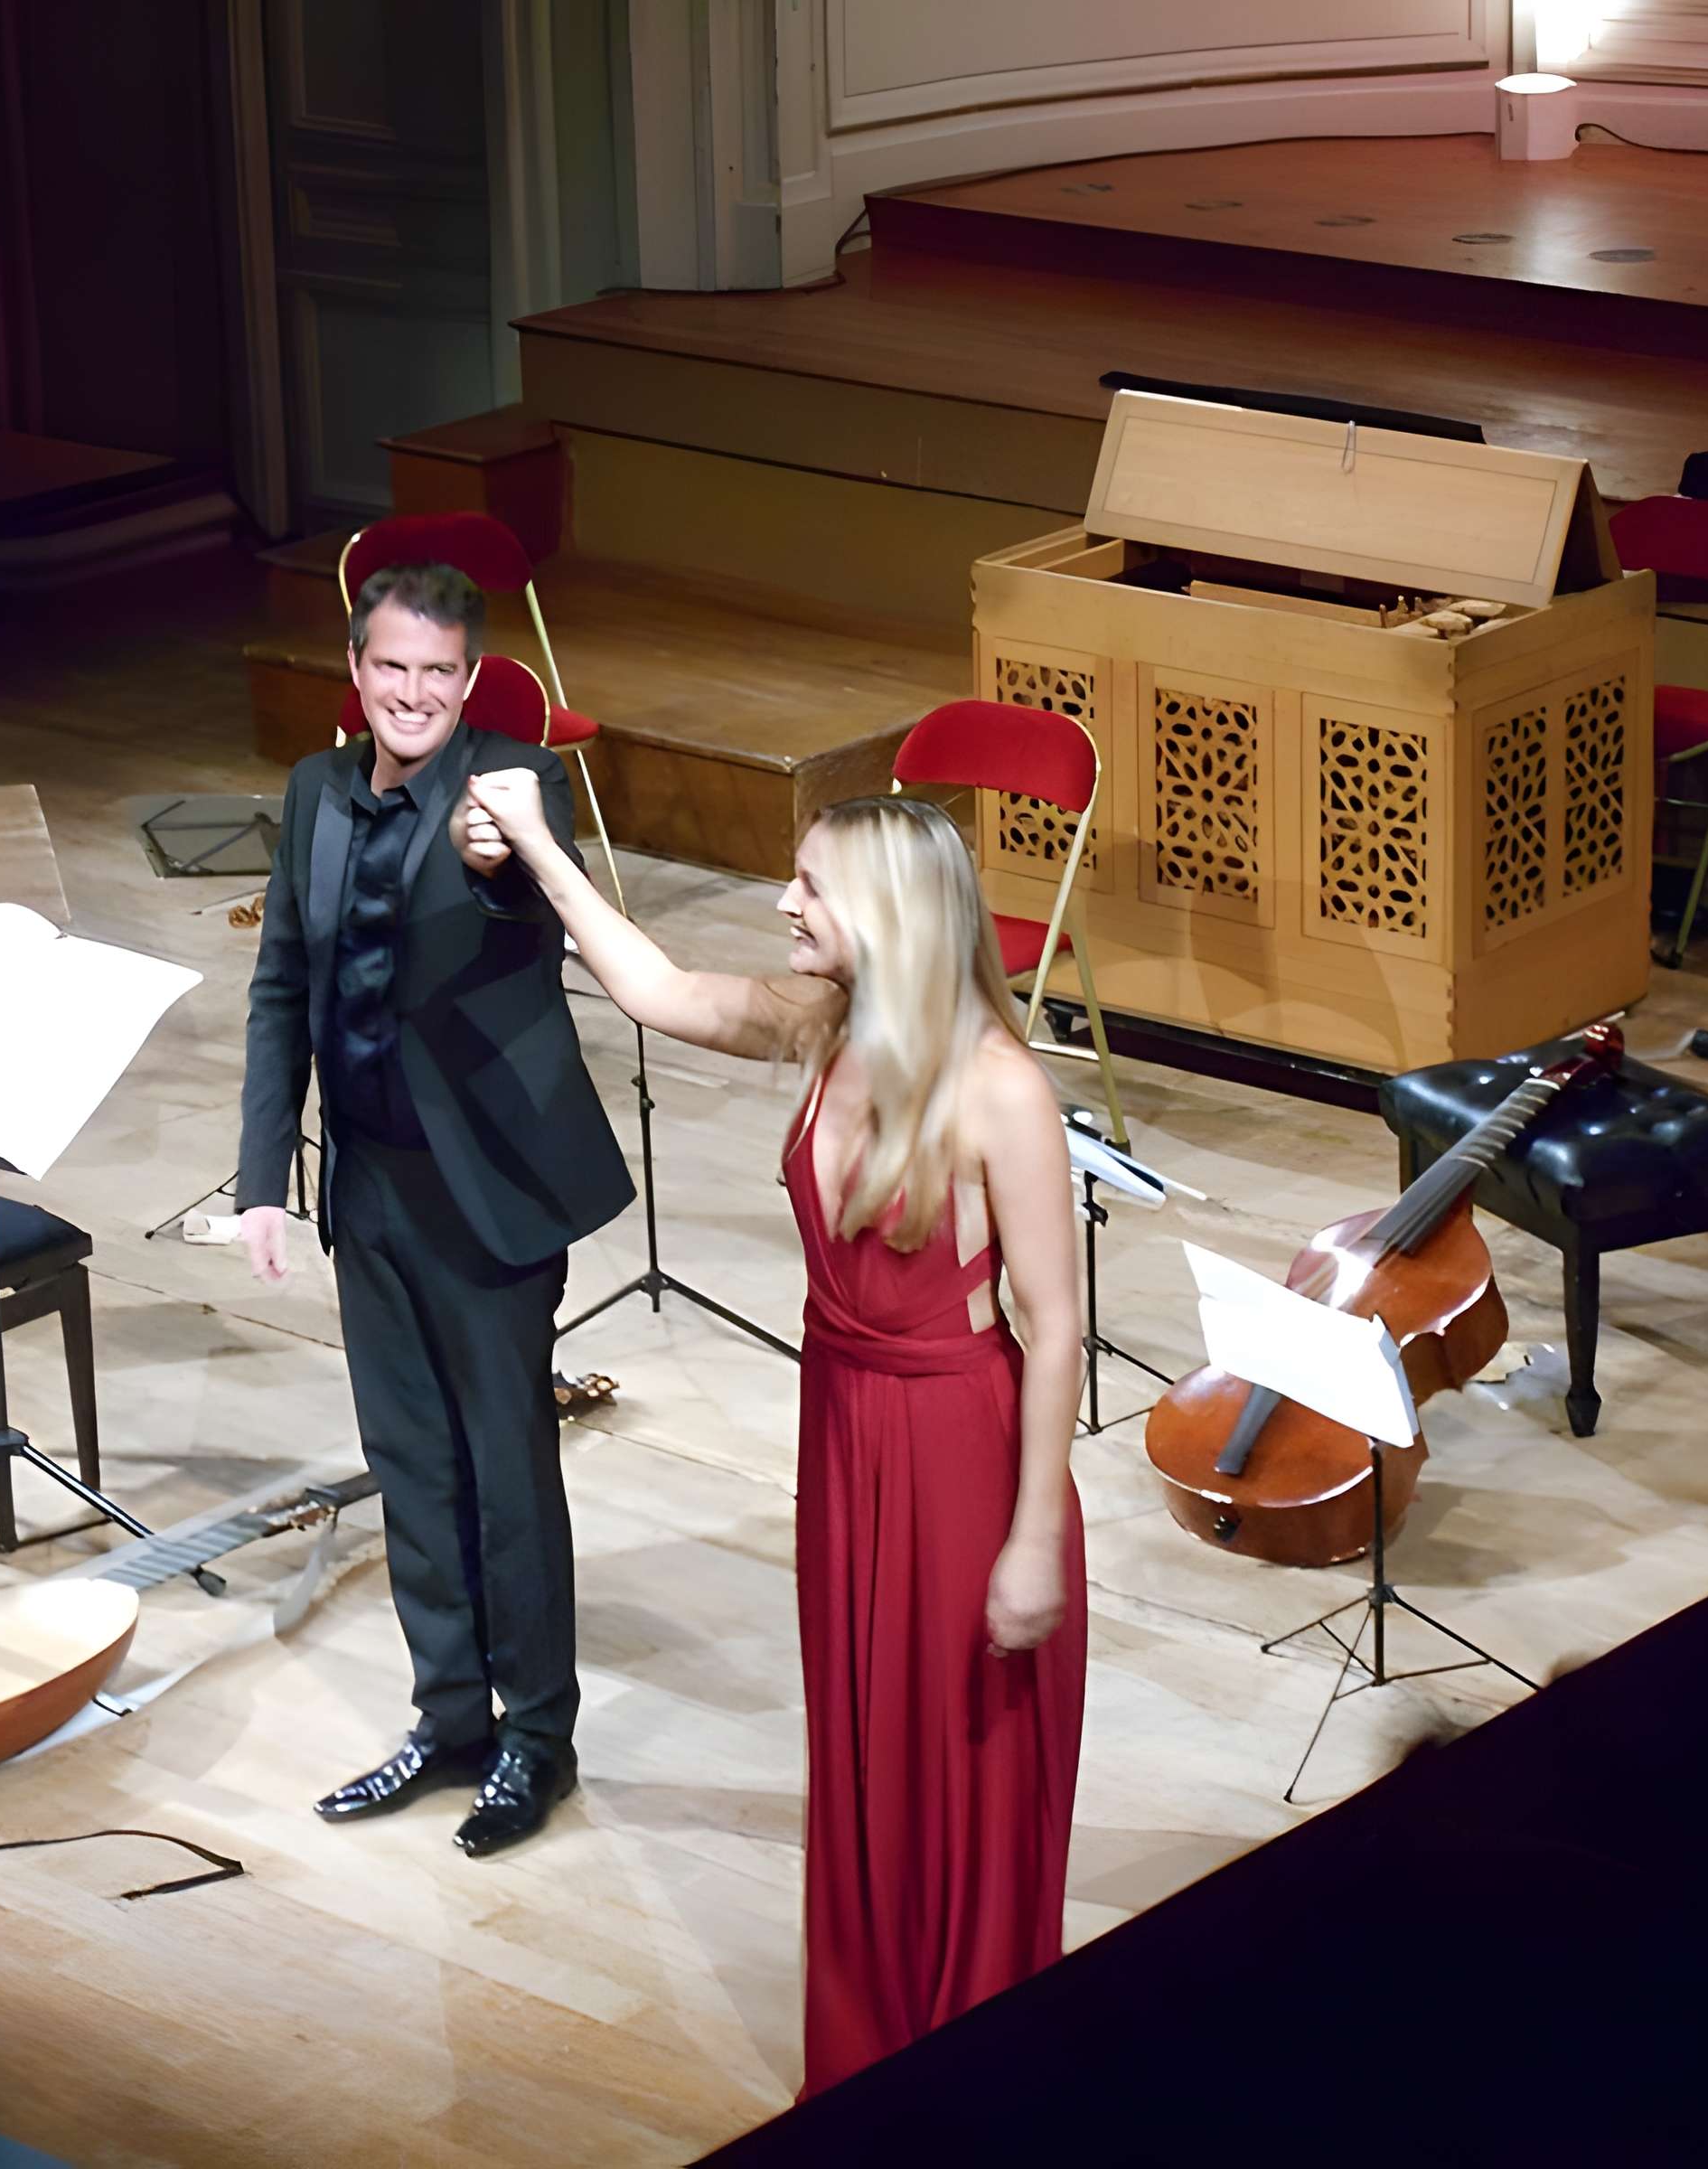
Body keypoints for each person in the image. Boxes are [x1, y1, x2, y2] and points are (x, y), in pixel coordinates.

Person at [464, 769, 1088, 2090]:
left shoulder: (1000, 1090)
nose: (781, 901)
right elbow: (653, 986)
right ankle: (865, 2068)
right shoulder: (826, 1023)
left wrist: (1033, 1540)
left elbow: (1055, 1327)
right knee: (863, 1770)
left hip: (957, 1460)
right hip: (847, 1438)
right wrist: (535, 842)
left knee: (961, 1799)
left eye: (811, 886)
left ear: (890, 915)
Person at [238, 562, 633, 1859]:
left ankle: (539, 1740)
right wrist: (262, 1178)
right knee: (411, 1465)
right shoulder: (313, 791)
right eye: (391, 669)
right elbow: (281, 984)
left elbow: (532, 903)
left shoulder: (512, 783)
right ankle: (450, 1716)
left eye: (439, 674)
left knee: (507, 1470)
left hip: (489, 1192)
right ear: (355, 672)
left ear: (469, 683)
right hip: (373, 1189)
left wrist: (506, 859)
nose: (413, 694)